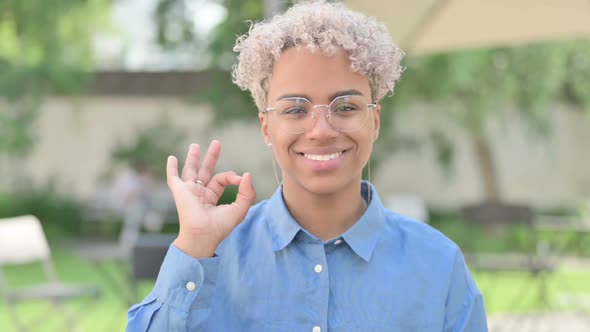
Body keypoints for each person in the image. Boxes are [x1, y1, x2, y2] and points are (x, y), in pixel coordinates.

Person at [127, 1, 488, 331]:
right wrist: (193, 245)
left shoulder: (438, 266)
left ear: (375, 121)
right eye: (295, 109)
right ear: (267, 126)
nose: (321, 130)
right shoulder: (209, 258)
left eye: (345, 106)